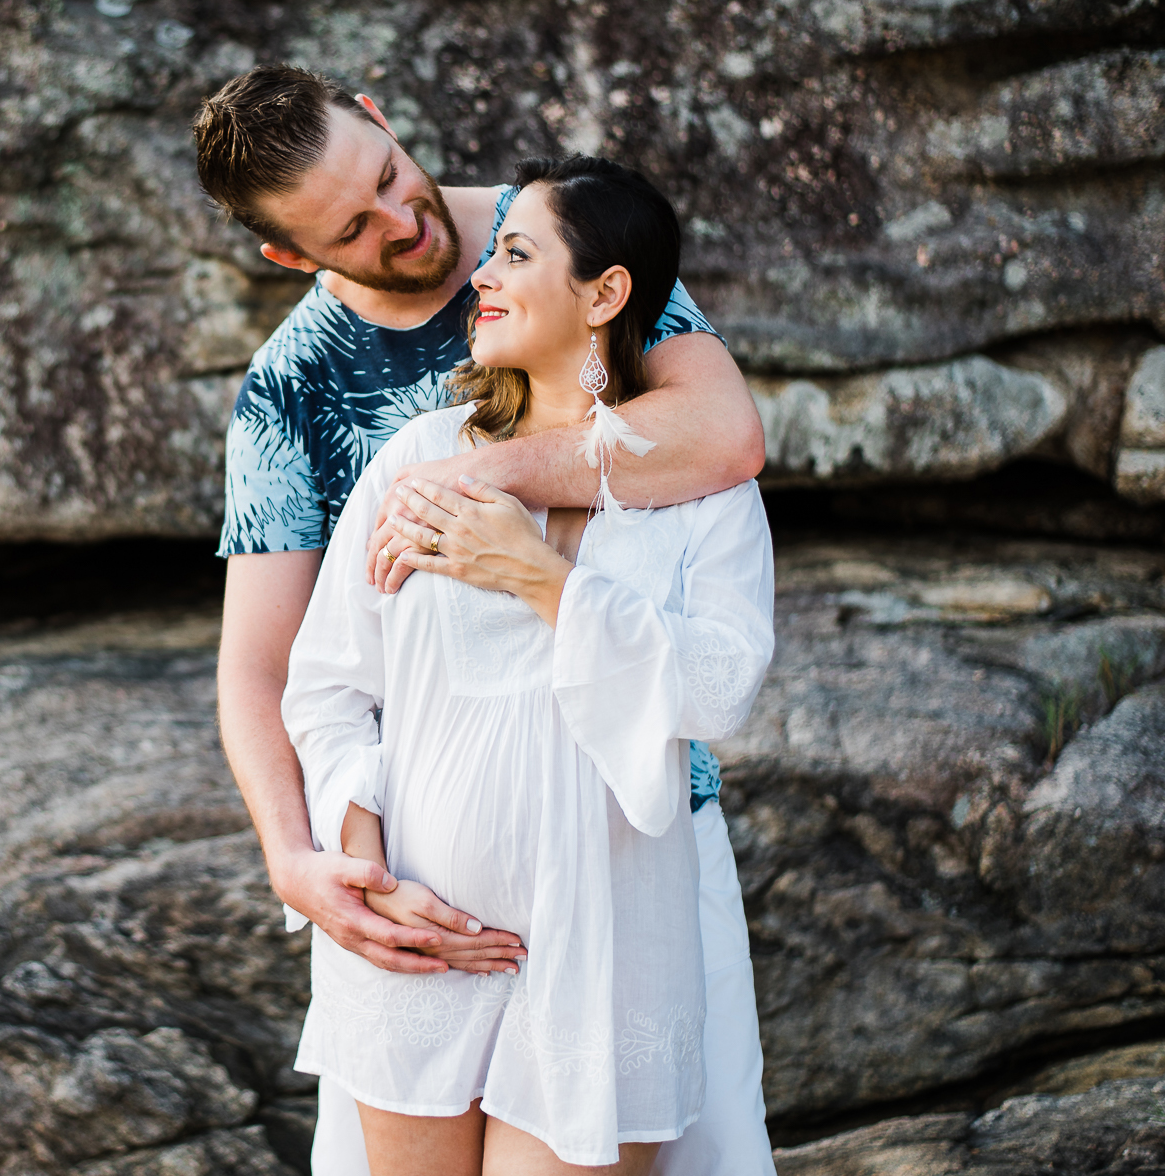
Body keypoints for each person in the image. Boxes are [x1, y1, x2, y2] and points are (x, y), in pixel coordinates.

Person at [192, 66, 776, 1174]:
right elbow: (269, 669)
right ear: (288, 255)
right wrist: (302, 859)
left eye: (387, 177)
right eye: (351, 229)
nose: (403, 221)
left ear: (376, 115)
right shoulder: (291, 387)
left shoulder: (567, 230)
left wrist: (490, 479)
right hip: (422, 890)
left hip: (627, 860)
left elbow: (719, 434)